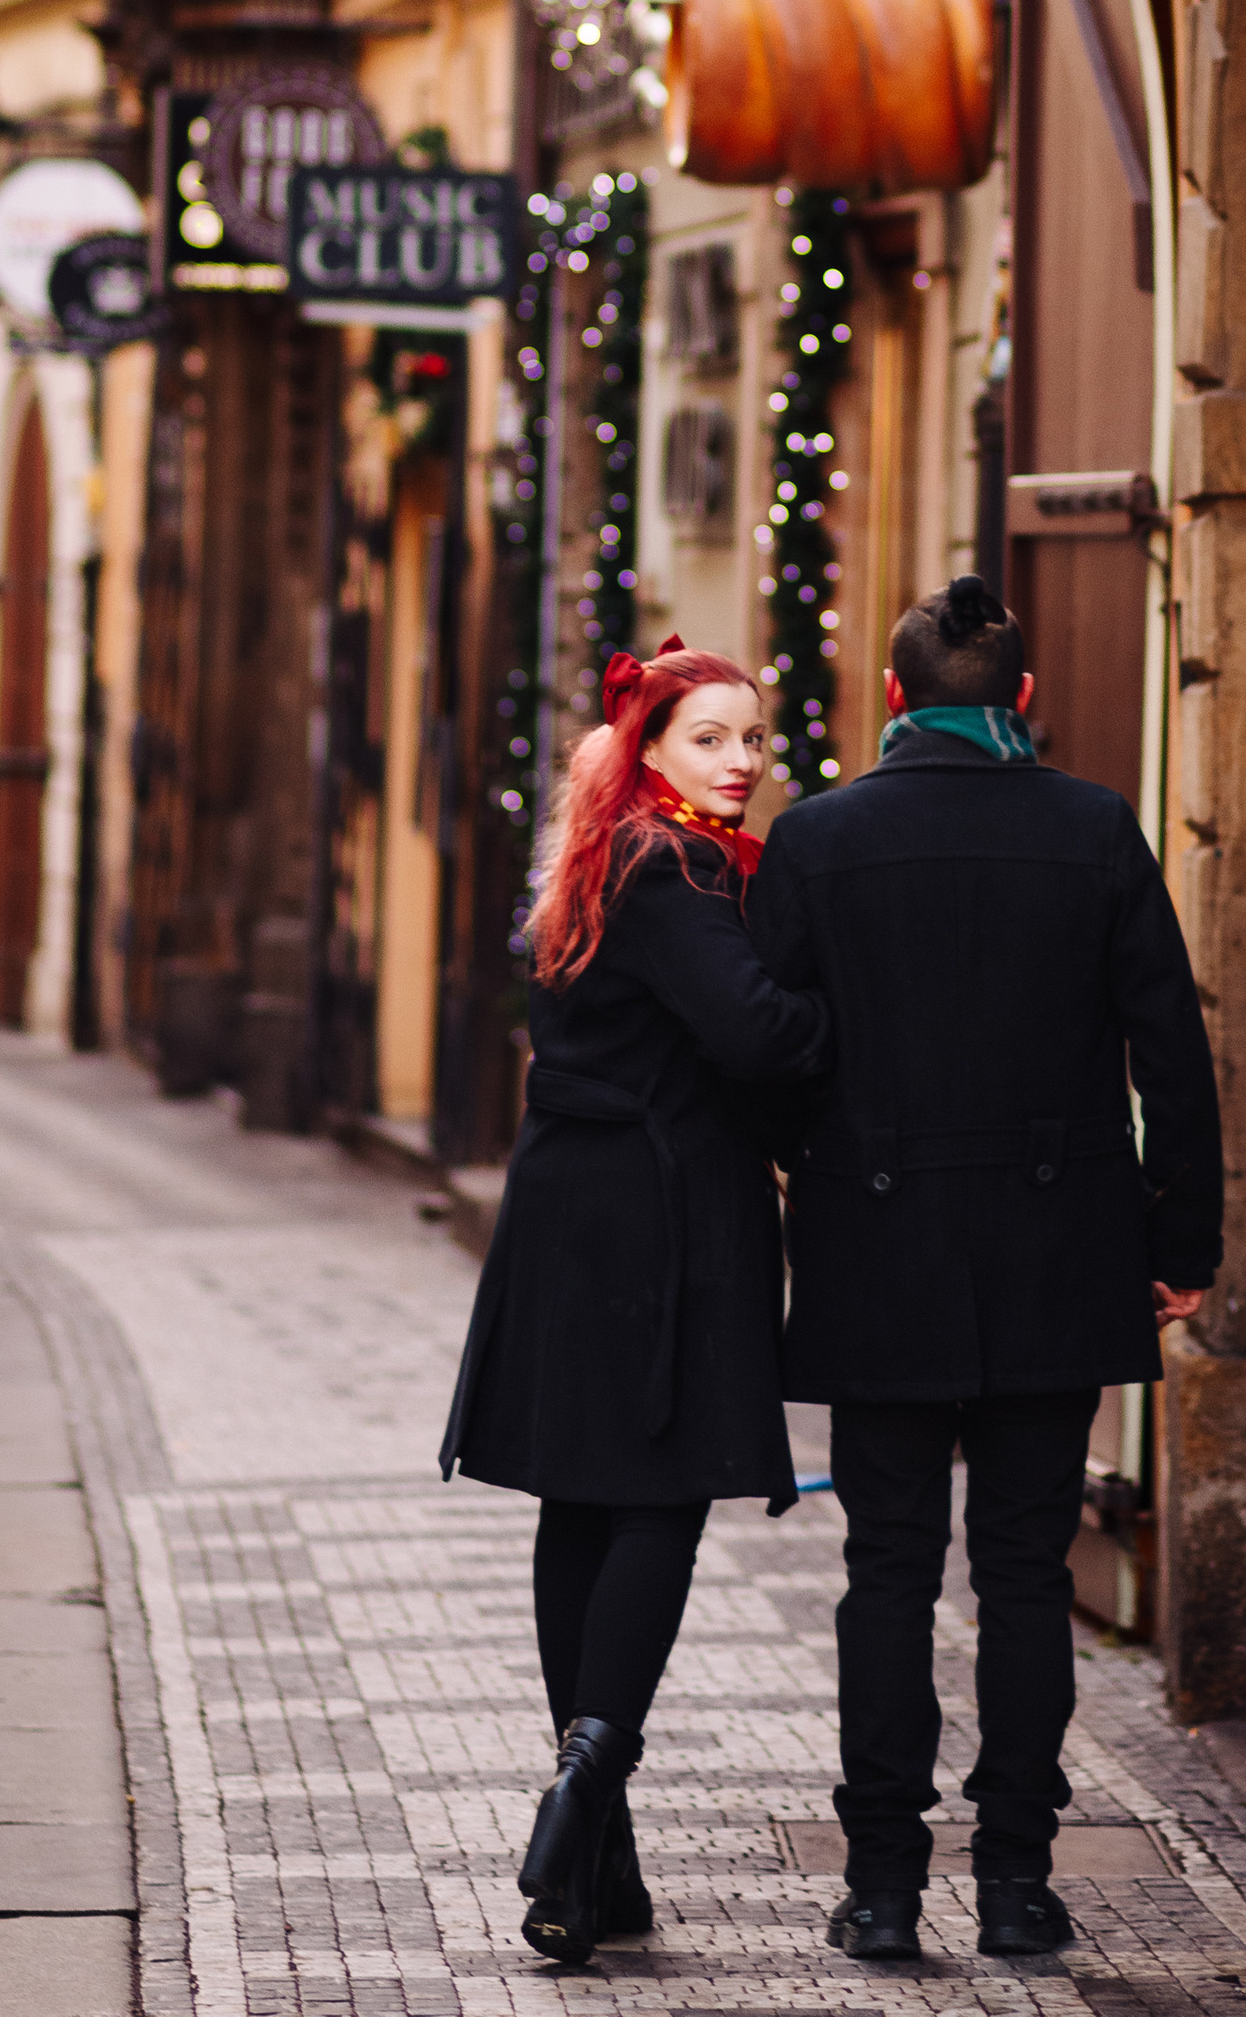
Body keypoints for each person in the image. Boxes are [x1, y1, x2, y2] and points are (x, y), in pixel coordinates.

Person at [746, 573, 1222, 1965]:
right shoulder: (1093, 829)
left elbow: (772, 1049)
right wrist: (1177, 1242)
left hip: (876, 1250)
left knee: (886, 1572)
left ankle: (882, 1885)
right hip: (1056, 1253)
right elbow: (1172, 1060)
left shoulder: (816, 842)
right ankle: (1017, 1881)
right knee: (1023, 1574)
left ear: (894, 699)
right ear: (1022, 701)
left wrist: (808, 1170)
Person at [441, 638, 830, 1968]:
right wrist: (841, 1031)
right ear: (654, 748)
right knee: (654, 1499)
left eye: (754, 739)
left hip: (573, 1203)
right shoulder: (675, 869)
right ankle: (586, 1792)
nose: (742, 761)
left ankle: (595, 1858)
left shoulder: (602, 855)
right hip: (658, 1214)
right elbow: (757, 1034)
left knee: (584, 1500)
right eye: (712, 737)